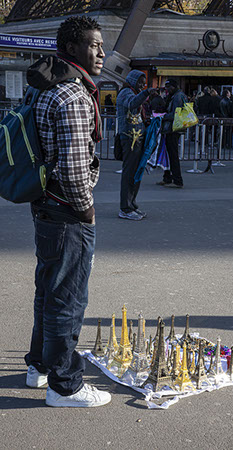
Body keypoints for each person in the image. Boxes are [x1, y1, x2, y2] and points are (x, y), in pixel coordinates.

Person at [24, 16, 111, 408]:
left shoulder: (45, 89)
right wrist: (88, 210)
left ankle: (38, 366)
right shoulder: (73, 96)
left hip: (44, 205)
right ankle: (65, 385)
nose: (102, 53)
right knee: (69, 299)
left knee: (48, 291)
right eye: (94, 45)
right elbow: (76, 169)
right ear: (72, 48)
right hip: (67, 211)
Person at [117, 70, 154, 220]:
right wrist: (146, 93)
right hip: (130, 138)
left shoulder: (132, 92)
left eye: (143, 82)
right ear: (132, 81)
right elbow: (132, 104)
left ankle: (131, 204)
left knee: (136, 173)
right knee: (129, 173)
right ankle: (125, 208)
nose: (142, 85)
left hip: (137, 138)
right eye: (139, 82)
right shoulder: (126, 92)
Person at [157, 78, 187, 188]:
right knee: (168, 154)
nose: (167, 89)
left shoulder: (178, 97)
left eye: (169, 87)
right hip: (170, 128)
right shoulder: (174, 96)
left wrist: (162, 116)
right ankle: (168, 177)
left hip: (173, 129)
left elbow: (176, 114)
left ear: (174, 87)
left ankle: (177, 180)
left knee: (172, 155)